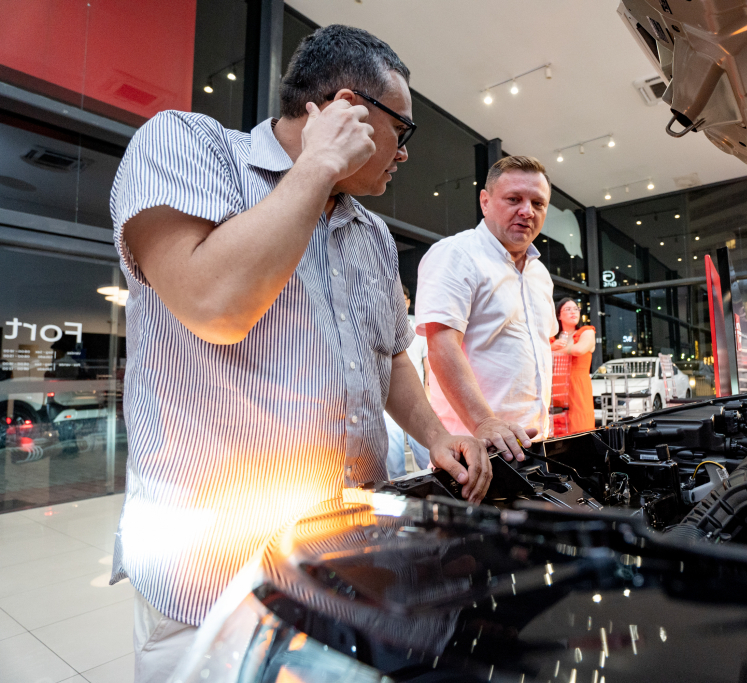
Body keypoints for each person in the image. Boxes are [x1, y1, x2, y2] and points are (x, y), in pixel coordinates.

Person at [107, 25, 488, 683]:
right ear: (347, 109)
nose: (405, 154)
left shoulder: (370, 231)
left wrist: (435, 433)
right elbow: (215, 304)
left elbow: (392, 355)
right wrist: (316, 166)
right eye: (405, 130)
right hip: (214, 584)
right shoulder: (187, 145)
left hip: (350, 569)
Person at [416, 156, 558, 473]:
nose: (527, 211)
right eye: (513, 199)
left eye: (538, 203)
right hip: (473, 455)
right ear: (485, 201)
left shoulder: (540, 274)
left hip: (534, 452)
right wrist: (484, 422)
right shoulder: (456, 254)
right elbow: (442, 346)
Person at [385, 285, 431, 476]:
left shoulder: (419, 329)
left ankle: (434, 496)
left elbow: (429, 367)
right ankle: (405, 501)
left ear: (408, 302)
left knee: (427, 456)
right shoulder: (381, 328)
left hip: (418, 400)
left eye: (402, 299)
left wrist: (427, 397)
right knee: (395, 466)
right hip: (389, 404)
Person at [549, 298, 596, 434]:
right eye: (568, 309)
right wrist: (551, 347)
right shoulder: (552, 339)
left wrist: (552, 349)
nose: (573, 312)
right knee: (556, 431)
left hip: (578, 388)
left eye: (576, 309)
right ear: (558, 315)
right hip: (556, 389)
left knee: (580, 428)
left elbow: (578, 350)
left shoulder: (587, 332)